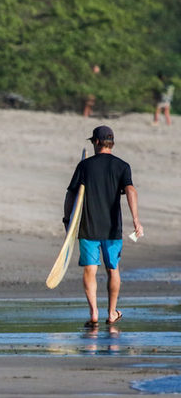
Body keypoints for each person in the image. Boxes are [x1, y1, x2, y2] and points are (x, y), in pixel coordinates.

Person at [63, 126, 143, 327]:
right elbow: (131, 190)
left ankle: (93, 313)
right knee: (112, 269)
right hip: (112, 229)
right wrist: (136, 220)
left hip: (87, 227)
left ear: (97, 142)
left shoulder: (85, 166)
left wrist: (68, 220)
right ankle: (111, 312)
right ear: (111, 142)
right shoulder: (122, 166)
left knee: (90, 270)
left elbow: (71, 194)